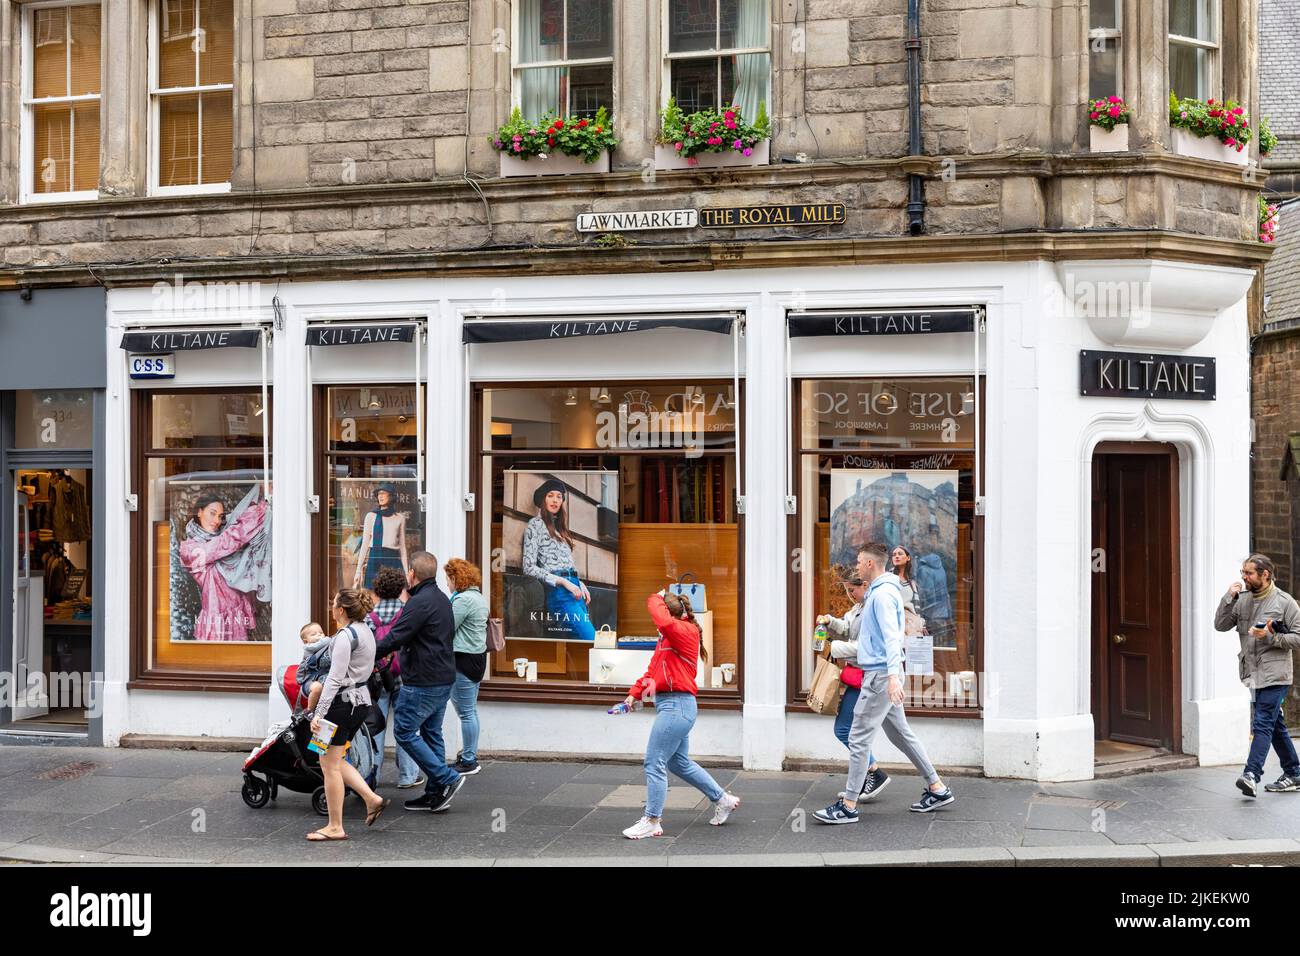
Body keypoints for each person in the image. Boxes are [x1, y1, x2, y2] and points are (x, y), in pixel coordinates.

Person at [814, 542, 955, 825]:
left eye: (858, 562)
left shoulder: (880, 597)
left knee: (857, 739)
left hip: (879, 677)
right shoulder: (882, 593)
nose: (855, 566)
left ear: (869, 564)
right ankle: (937, 788)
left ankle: (849, 805)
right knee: (901, 735)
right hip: (882, 675)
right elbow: (873, 638)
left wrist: (892, 677)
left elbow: (893, 638)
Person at [618, 590, 741, 840]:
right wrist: (633, 695)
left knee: (654, 762)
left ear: (669, 613)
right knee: (678, 762)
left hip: (678, 707)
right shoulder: (665, 639)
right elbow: (651, 673)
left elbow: (661, 619)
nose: (656, 623)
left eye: (661, 612)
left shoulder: (684, 631)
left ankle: (652, 820)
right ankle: (723, 799)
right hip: (671, 706)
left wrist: (654, 595)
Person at [374, 551, 464, 813]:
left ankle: (447, 778)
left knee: (403, 730)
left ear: (411, 573)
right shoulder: (441, 598)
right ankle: (436, 792)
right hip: (443, 677)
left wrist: (368, 653)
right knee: (431, 733)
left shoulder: (420, 602)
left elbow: (396, 637)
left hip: (424, 682)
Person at [1213, 553, 1300, 797]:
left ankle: (1251, 774)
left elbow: (1298, 637)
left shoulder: (1285, 602)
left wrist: (1270, 637)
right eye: (1243, 572)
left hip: (1277, 674)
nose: (1244, 577)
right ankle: (1294, 772)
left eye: (1249, 573)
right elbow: (1220, 625)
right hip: (1252, 673)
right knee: (1274, 724)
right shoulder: (1242, 600)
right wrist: (1228, 598)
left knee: (1262, 722)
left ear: (1265, 574)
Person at [307, 588, 389, 841]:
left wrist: (318, 713)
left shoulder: (345, 636)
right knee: (334, 758)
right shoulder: (365, 631)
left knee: (327, 764)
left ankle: (335, 826)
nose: (331, 607)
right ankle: (371, 798)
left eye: (333, 604)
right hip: (359, 703)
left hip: (339, 705)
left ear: (341, 610)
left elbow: (333, 679)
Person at [820, 577, 889, 801]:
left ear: (866, 586)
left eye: (853, 590)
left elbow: (866, 646)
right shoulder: (859, 606)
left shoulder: (872, 607)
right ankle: (935, 785)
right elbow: (849, 628)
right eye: (847, 590)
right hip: (860, 678)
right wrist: (831, 622)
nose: (850, 594)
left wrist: (835, 646)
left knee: (845, 730)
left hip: (868, 677)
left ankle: (874, 773)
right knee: (900, 734)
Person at [178, 488, 270, 642]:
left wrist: (260, 496)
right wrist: (262, 509)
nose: (216, 521)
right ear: (199, 512)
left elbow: (235, 524)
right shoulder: (189, 549)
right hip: (216, 621)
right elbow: (228, 541)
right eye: (212, 513)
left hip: (236, 616)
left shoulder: (220, 534)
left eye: (220, 516)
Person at [367, 566, 424, 790]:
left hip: (378, 678)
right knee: (406, 726)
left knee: (376, 726)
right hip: (404, 677)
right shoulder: (408, 612)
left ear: (378, 590)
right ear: (401, 588)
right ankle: (408, 776)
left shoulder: (370, 616)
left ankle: (373, 775)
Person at [522, 478, 596, 642]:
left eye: (559, 497)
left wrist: (580, 583)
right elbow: (528, 567)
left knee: (584, 643)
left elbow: (567, 564)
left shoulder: (561, 530)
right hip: (560, 593)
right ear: (543, 499)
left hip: (575, 590)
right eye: (550, 495)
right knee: (591, 639)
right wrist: (563, 582)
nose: (555, 500)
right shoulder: (535, 524)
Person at [444, 558, 489, 776]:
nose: (447, 583)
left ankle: (469, 760)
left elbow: (447, 628)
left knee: (466, 712)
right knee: (470, 710)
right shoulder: (478, 597)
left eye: (448, 578)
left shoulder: (463, 601)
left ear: (455, 578)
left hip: (462, 659)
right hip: (476, 658)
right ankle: (469, 754)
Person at [353, 484, 409, 590]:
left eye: (383, 493)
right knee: (373, 595)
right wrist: (358, 571)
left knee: (394, 594)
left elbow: (403, 547)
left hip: (392, 559)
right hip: (374, 559)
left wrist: (406, 573)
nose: (380, 496)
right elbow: (364, 545)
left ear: (391, 496)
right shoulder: (371, 516)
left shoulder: (399, 518)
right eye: (379, 494)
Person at [297, 621, 329, 712]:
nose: (319, 635)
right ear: (305, 641)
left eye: (321, 632)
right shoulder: (310, 648)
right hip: (310, 681)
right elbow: (325, 641)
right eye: (314, 634)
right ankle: (309, 710)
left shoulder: (325, 645)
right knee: (317, 688)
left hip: (322, 678)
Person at [891, 545, 920, 612]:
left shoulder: (912, 582)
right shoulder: (888, 578)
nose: (896, 556)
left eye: (900, 554)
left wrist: (918, 619)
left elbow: (917, 606)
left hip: (911, 619)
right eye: (894, 555)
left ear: (908, 558)